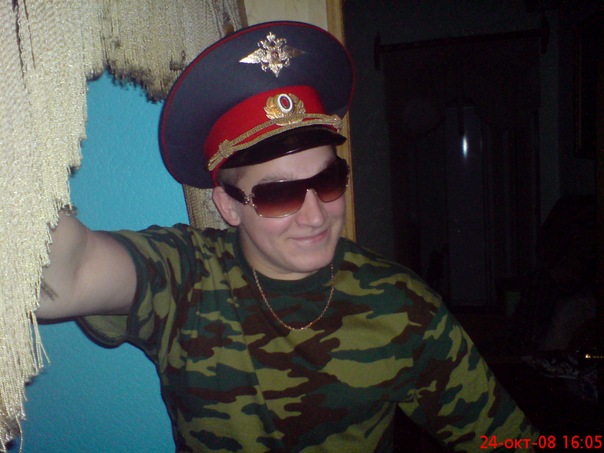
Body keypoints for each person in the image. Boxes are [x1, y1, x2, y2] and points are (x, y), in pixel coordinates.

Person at [38, 21, 538, 452]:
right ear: (228, 206)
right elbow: (65, 274)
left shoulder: (400, 304)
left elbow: (506, 439)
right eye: (280, 194)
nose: (316, 215)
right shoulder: (186, 279)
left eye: (328, 181)